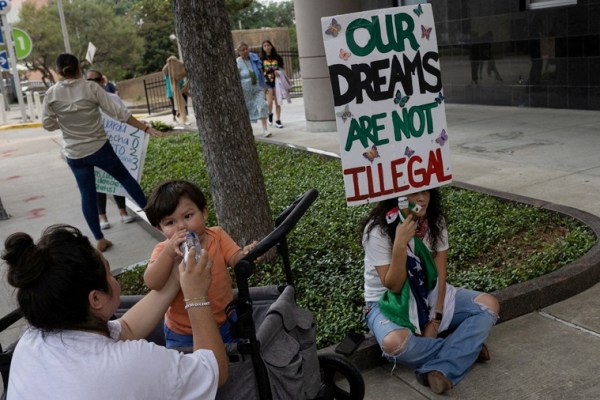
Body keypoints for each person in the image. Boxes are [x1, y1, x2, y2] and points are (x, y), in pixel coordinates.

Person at [1, 224, 228, 399]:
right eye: (109, 272)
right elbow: (213, 370)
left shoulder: (32, 341)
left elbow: (125, 329)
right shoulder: (131, 364)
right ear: (96, 298)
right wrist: (196, 297)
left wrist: (176, 281)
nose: (113, 277)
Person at [361, 189, 500, 395]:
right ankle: (466, 348)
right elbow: (394, 286)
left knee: (488, 305)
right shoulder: (377, 231)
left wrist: (435, 320)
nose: (421, 198)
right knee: (394, 345)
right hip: (387, 303)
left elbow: (440, 275)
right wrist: (399, 244)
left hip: (428, 295)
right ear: (395, 197)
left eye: (425, 190)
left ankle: (440, 367)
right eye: (412, 194)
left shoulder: (435, 221)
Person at [42, 54, 162, 252]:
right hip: (100, 148)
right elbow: (120, 114)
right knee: (126, 180)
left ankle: (99, 238)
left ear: (57, 71)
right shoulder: (91, 88)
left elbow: (47, 124)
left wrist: (64, 123)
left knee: (86, 194)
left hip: (75, 153)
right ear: (79, 68)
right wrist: (147, 129)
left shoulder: (52, 94)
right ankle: (156, 222)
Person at [143, 180, 257, 348]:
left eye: (188, 216)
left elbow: (236, 260)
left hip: (225, 321)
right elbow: (152, 282)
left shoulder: (216, 236)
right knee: (189, 371)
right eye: (170, 223)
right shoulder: (162, 251)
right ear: (160, 229)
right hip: (183, 332)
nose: (181, 226)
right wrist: (168, 253)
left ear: (204, 213)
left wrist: (247, 254)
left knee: (235, 361)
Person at [86, 69, 136, 229]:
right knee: (99, 181)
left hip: (116, 145)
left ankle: (123, 211)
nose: (94, 83)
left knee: (117, 179)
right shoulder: (84, 101)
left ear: (103, 80)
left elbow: (125, 117)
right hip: (94, 147)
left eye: (97, 79)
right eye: (90, 80)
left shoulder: (114, 98)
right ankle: (102, 216)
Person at [236, 41, 270, 138]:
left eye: (247, 49)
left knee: (262, 105)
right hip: (245, 91)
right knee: (248, 110)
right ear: (239, 52)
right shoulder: (237, 61)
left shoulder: (254, 59)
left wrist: (264, 86)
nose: (245, 51)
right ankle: (249, 131)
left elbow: (260, 72)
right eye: (243, 50)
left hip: (257, 88)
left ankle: (265, 129)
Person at [260, 40, 285, 129]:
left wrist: (279, 72)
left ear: (271, 46)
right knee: (269, 102)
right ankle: (270, 114)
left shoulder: (277, 57)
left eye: (268, 45)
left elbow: (282, 68)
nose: (267, 47)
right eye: (264, 46)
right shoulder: (261, 59)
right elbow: (260, 71)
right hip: (267, 82)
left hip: (277, 81)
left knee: (278, 101)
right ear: (263, 48)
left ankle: (278, 120)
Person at [162, 55, 189, 126]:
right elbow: (164, 70)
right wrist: (169, 62)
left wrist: (177, 62)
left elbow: (183, 67)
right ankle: (174, 118)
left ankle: (185, 118)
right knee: (174, 105)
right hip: (172, 92)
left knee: (184, 104)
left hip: (181, 90)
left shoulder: (179, 71)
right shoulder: (168, 72)